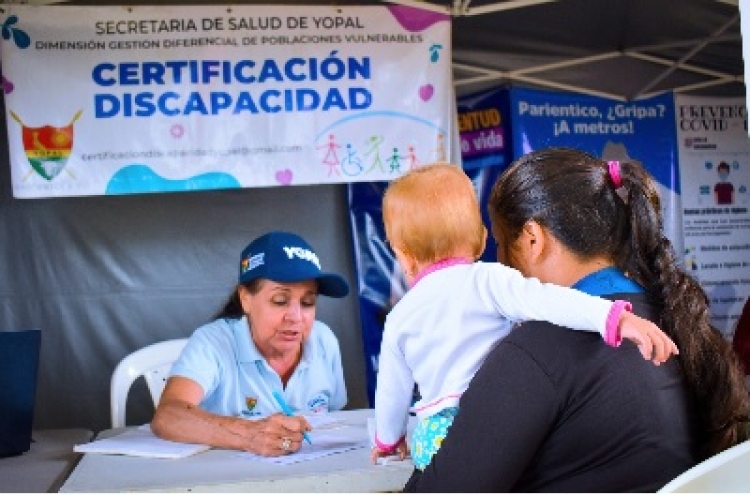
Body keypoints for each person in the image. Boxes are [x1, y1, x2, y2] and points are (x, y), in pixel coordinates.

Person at [404, 148, 750, 492]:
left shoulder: (536, 352)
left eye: (499, 243)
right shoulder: (674, 320)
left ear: (532, 240)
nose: (498, 262)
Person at [371, 162, 678, 471]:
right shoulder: (488, 280)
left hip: (433, 438)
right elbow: (549, 301)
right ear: (480, 239)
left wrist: (388, 442)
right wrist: (612, 318)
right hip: (497, 422)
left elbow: (391, 391)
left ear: (405, 257)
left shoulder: (400, 317)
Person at [151, 231, 350, 457]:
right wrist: (250, 435)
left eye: (307, 302)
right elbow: (168, 415)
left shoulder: (324, 340)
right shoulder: (213, 342)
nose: (296, 316)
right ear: (245, 298)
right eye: (280, 301)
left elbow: (337, 420)